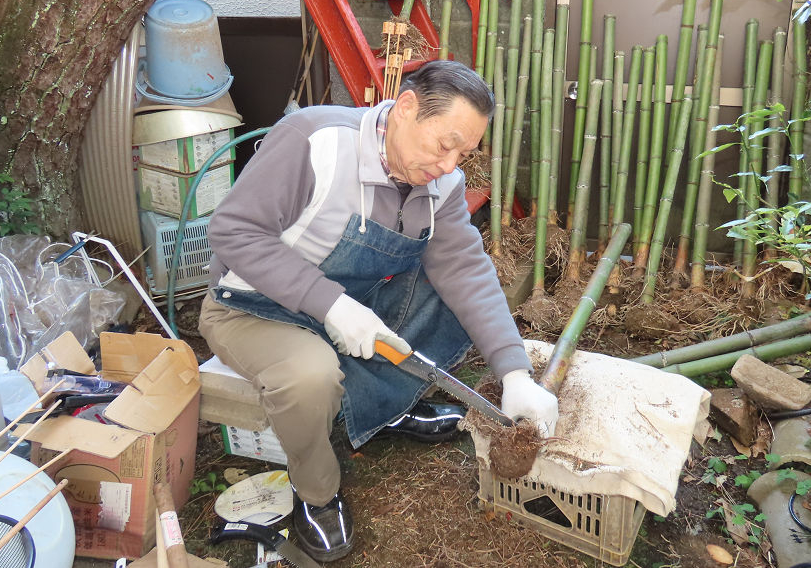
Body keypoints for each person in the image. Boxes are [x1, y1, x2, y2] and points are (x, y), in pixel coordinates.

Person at [198, 60, 559, 562]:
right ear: (406, 107)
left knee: (453, 298)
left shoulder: (442, 184)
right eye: (445, 144)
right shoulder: (316, 142)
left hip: (354, 302)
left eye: (464, 154)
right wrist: (330, 304)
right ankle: (316, 494)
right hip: (254, 306)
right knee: (308, 376)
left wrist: (515, 372)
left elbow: (464, 268)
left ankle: (385, 409)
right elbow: (234, 231)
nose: (450, 165)